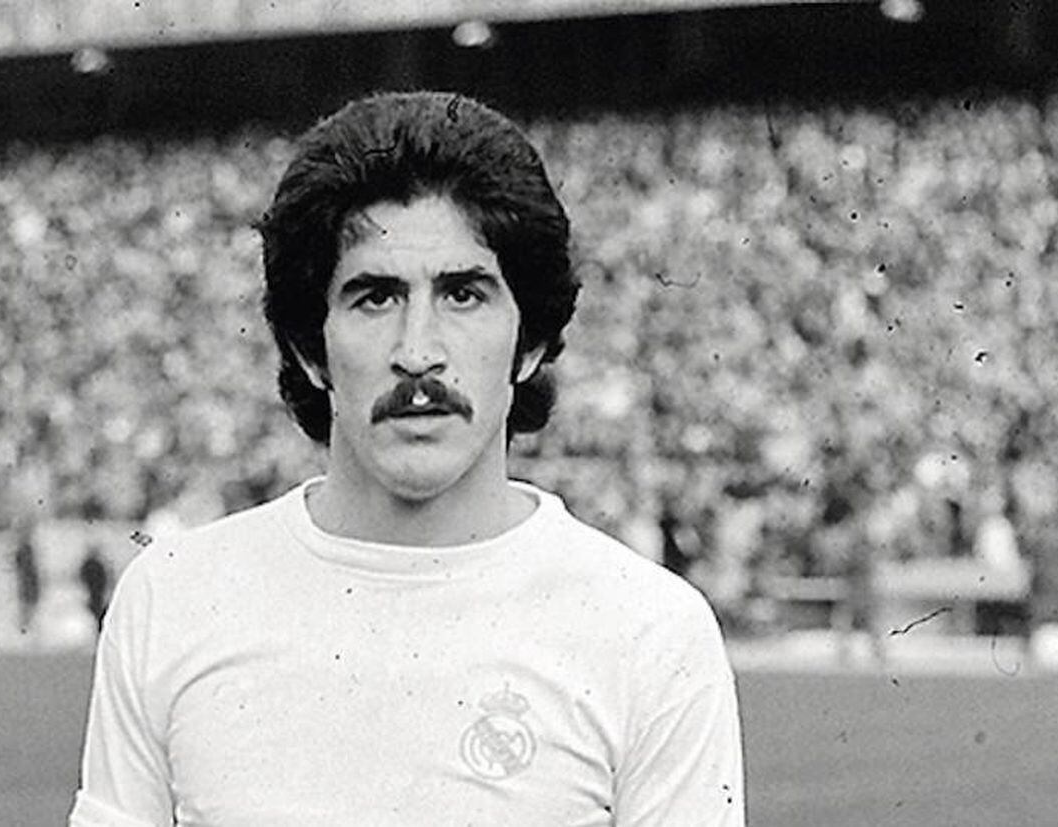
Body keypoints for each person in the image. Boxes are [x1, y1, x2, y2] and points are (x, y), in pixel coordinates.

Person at [71, 91, 744, 826]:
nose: (418, 351)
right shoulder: (172, 601)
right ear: (308, 347)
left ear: (531, 344)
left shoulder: (650, 632)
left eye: (463, 294)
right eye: (374, 297)